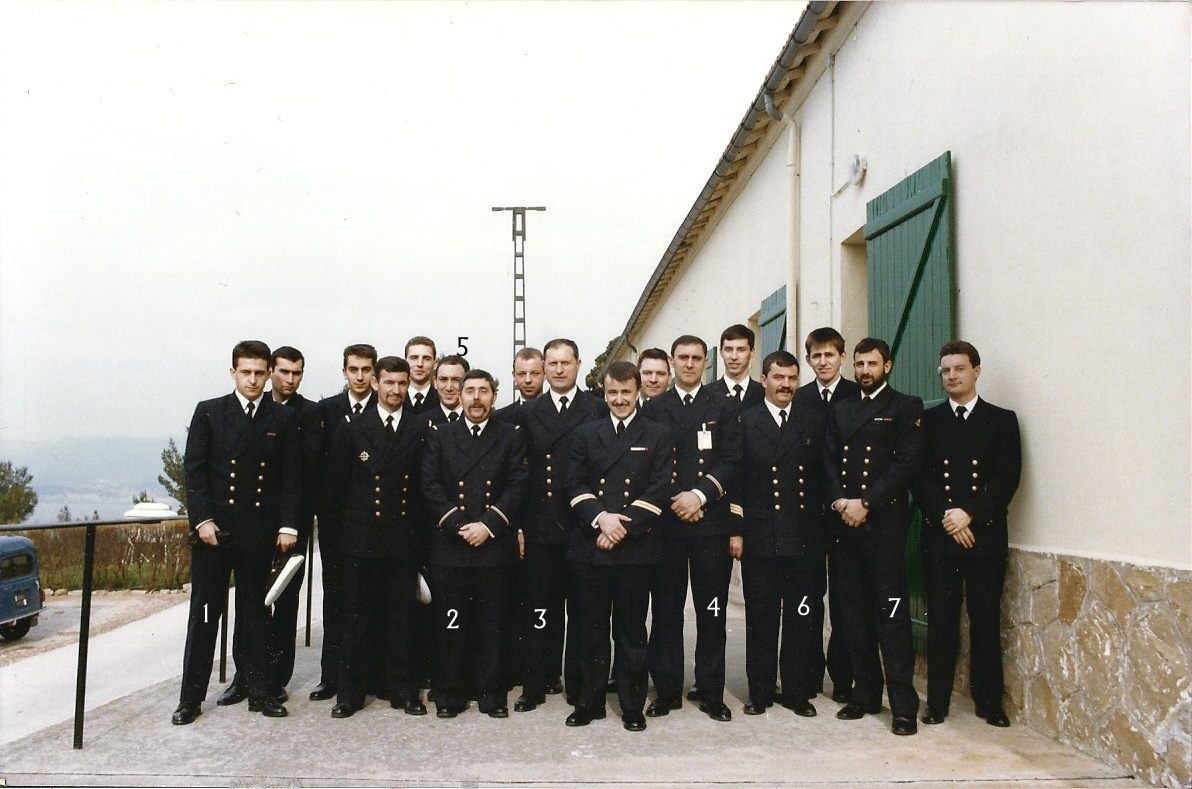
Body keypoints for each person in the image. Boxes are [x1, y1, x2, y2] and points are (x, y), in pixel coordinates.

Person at [172, 340, 301, 725]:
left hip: (259, 534)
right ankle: (190, 699)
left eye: (260, 373)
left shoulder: (281, 419)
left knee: (255, 616)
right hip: (215, 535)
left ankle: (259, 693)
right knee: (206, 615)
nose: (253, 380)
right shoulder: (210, 412)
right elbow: (194, 472)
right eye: (246, 372)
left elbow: (291, 478)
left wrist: (288, 524)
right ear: (233, 373)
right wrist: (202, 520)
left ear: (269, 374)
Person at [915, 341, 1020, 728]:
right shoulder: (929, 420)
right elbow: (920, 478)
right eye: (945, 370)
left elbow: (1007, 479)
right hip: (942, 536)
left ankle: (989, 701)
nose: (952, 376)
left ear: (976, 370)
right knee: (941, 621)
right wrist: (948, 517)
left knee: (985, 619)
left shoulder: (1002, 419)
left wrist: (969, 515)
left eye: (959, 368)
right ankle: (937, 703)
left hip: (984, 536)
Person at [824, 337, 923, 735]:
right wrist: (840, 503)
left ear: (888, 365)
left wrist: (866, 502)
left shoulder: (905, 407)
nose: (864, 371)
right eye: (860, 364)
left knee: (893, 618)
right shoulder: (842, 408)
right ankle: (864, 695)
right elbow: (827, 461)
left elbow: (906, 465)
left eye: (872, 364)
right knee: (853, 616)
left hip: (882, 527)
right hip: (845, 527)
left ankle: (902, 707)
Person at [565, 361, 670, 731]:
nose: (620, 399)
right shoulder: (585, 433)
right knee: (591, 630)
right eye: (613, 392)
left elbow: (658, 488)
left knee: (630, 631)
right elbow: (574, 484)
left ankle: (631, 706)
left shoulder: (657, 434)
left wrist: (621, 526)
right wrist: (601, 519)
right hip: (591, 545)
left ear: (638, 391)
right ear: (604, 392)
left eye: (626, 392)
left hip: (634, 548)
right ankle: (589, 703)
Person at [642, 335, 742, 722]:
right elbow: (651, 464)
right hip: (667, 526)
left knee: (711, 611)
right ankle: (666, 690)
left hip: (710, 525)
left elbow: (732, 459)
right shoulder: (654, 408)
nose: (688, 364)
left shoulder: (724, 406)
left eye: (696, 358)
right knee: (666, 612)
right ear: (671, 361)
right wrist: (678, 500)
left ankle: (711, 691)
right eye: (681, 358)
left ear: (706, 362)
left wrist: (699, 497)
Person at [217, 345, 323, 708]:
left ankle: (277, 679)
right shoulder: (252, 411)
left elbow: (304, 470)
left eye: (297, 374)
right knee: (250, 604)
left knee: (286, 602)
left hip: (291, 524)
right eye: (283, 373)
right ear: (269, 372)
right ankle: (244, 677)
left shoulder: (309, 413)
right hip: (253, 526)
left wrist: (292, 523)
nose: (289, 380)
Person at [325, 356, 428, 718]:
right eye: (389, 383)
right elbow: (336, 491)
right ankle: (349, 695)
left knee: (403, 616)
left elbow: (421, 491)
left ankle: (403, 691)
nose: (396, 390)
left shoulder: (419, 428)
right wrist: (340, 543)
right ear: (375, 383)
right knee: (356, 618)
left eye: (402, 384)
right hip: (361, 539)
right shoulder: (352, 428)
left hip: (402, 539)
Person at [421, 369, 527, 719]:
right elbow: (431, 485)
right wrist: (459, 524)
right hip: (452, 547)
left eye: (484, 391)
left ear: (494, 397)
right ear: (459, 396)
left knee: (492, 624)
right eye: (470, 391)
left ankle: (491, 694)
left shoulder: (510, 435)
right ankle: (450, 693)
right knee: (450, 622)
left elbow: (516, 485)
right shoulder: (441, 435)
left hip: (493, 546)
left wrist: (488, 524)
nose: (476, 398)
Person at [512, 339, 605, 712]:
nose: (559, 370)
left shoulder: (596, 408)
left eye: (566, 363)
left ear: (579, 365)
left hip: (583, 526)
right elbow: (518, 474)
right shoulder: (526, 412)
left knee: (584, 612)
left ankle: (579, 686)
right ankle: (534, 684)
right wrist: (517, 525)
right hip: (541, 527)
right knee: (539, 611)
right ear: (545, 367)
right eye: (553, 363)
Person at [731, 350, 825, 717]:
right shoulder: (745, 420)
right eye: (778, 378)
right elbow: (735, 480)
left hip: (802, 536)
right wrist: (737, 531)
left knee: (802, 618)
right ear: (764, 380)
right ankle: (760, 691)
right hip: (760, 536)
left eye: (791, 379)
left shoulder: (813, 420)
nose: (785, 385)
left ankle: (798, 692)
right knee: (762, 618)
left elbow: (821, 477)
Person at [794, 327, 860, 703]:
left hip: (847, 513)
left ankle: (843, 676)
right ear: (808, 360)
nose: (823, 362)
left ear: (842, 357)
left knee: (845, 599)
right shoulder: (800, 399)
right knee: (809, 597)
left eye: (829, 355)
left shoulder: (856, 395)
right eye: (816, 356)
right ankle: (809, 675)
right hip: (809, 515)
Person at [310, 343, 378, 702]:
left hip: (375, 523)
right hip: (338, 524)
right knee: (336, 599)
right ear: (345, 372)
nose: (360, 377)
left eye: (367, 369)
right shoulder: (328, 411)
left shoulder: (386, 410)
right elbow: (323, 470)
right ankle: (331, 676)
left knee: (371, 600)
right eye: (354, 370)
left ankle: (370, 676)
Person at [706, 324, 764, 406]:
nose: (734, 357)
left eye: (741, 350)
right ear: (721, 352)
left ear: (752, 352)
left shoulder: (765, 394)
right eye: (728, 350)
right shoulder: (705, 394)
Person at [494, 346, 545, 423]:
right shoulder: (498, 419)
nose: (528, 380)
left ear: (545, 375)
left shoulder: (559, 414)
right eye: (522, 374)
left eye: (535, 373)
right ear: (514, 376)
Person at [427, 355, 468, 426]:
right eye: (443, 379)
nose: (449, 388)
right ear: (435, 382)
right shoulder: (421, 422)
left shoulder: (480, 420)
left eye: (456, 380)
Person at [404, 336, 439, 415]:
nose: (419, 364)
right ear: (405, 362)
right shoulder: (395, 398)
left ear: (435, 363)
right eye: (414, 358)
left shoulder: (442, 400)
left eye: (426, 358)